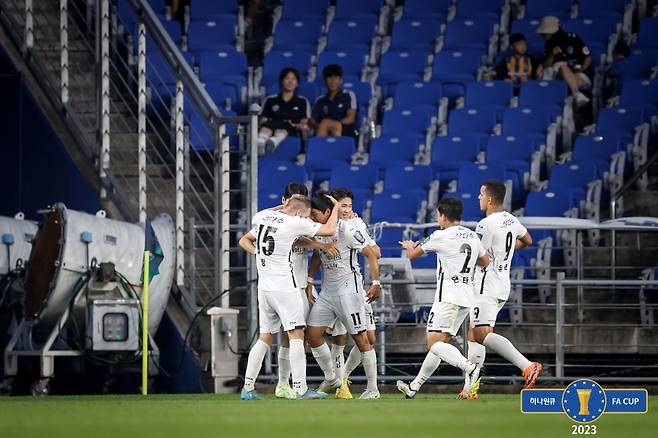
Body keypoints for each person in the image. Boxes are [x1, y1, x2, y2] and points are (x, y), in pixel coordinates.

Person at [238, 194, 339, 400]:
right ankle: (301, 389)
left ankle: (247, 388)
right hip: (285, 287)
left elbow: (278, 222)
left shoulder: (262, 216)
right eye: (306, 214)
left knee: (265, 337)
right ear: (301, 212)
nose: (307, 218)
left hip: (264, 288)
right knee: (296, 335)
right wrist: (336, 206)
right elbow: (329, 230)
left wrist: (286, 206)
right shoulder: (294, 222)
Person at [396, 198, 489, 399]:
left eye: (438, 215)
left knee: (433, 344)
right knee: (440, 346)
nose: (438, 219)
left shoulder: (440, 235)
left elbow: (412, 255)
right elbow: (485, 260)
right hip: (466, 297)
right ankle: (414, 387)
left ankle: (470, 368)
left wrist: (410, 245)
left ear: (443, 215)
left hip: (447, 297)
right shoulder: (472, 236)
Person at [460, 180, 542, 400]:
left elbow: (481, 257)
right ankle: (470, 388)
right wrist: (505, 252)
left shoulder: (485, 224)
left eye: (480, 194)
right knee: (473, 335)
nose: (478, 198)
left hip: (485, 285)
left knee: (481, 334)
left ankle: (527, 366)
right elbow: (527, 240)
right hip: (502, 284)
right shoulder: (511, 220)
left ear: (489, 199)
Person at [305, 192, 381, 400]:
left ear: (327, 212)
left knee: (362, 340)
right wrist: (310, 281)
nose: (312, 217)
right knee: (312, 334)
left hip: (350, 291)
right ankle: (333, 379)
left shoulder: (347, 228)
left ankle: (372, 389)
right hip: (328, 292)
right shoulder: (318, 229)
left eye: (315, 214)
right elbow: (317, 256)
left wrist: (376, 283)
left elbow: (372, 253)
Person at [537, 16, 592, 107]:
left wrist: (582, 69)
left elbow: (588, 57)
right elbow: (546, 66)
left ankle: (575, 94)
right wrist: (552, 54)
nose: (543, 35)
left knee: (562, 66)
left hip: (579, 75)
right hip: (559, 78)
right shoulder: (548, 44)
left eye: (545, 33)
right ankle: (576, 95)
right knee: (548, 71)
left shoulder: (572, 38)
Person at [257, 67, 311, 153]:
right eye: (287, 78)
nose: (290, 82)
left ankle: (274, 141)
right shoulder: (270, 100)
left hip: (292, 131)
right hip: (271, 128)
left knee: (287, 125)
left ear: (297, 83)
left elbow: (304, 124)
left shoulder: (302, 101)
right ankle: (260, 142)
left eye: (293, 79)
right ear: (281, 81)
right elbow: (263, 121)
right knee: (269, 126)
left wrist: (294, 125)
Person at [310, 64, 358, 138]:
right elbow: (312, 121)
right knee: (324, 124)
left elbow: (350, 118)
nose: (333, 81)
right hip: (325, 132)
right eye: (329, 77)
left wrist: (331, 124)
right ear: (324, 80)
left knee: (326, 123)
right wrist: (322, 127)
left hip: (346, 130)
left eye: (336, 77)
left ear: (341, 80)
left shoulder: (349, 95)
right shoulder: (320, 100)